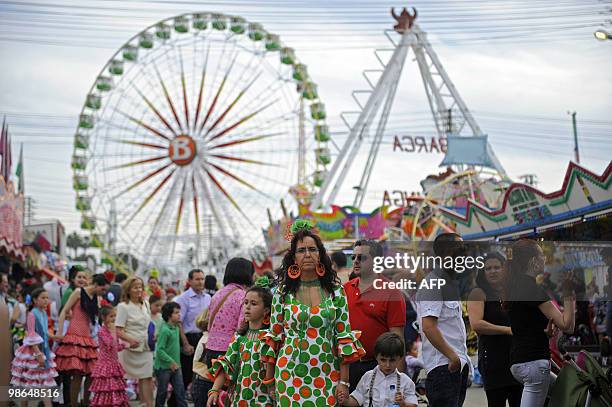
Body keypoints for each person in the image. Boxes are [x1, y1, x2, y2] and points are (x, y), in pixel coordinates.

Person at [262, 219, 365, 406]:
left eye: (313, 249)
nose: (307, 254)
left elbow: (343, 336)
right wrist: (270, 382)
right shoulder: (282, 292)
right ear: (293, 257)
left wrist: (344, 382)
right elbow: (274, 337)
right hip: (288, 375)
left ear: (320, 255)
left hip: (327, 374)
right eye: (301, 250)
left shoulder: (336, 291)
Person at [506, 239, 576, 407]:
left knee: (563, 393)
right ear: (533, 261)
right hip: (534, 363)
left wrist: (544, 332)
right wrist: (568, 291)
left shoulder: (514, 287)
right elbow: (568, 325)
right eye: (541, 255)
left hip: (519, 361)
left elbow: (523, 325)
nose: (545, 259)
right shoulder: (533, 289)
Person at [415, 233, 471, 407]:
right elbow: (429, 326)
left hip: (454, 365)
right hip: (443, 367)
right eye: (460, 249)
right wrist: (452, 357)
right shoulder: (433, 283)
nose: (465, 255)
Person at [344, 240, 407, 392]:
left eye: (362, 258)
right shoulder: (344, 290)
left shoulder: (391, 291)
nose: (356, 261)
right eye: (354, 257)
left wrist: (400, 381)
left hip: (379, 367)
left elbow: (397, 337)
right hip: (348, 368)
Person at [191, 258, 253, 406]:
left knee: (215, 393)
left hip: (211, 349)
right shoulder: (242, 295)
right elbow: (241, 326)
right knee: (228, 397)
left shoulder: (218, 294)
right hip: (228, 352)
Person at [207, 279, 274, 406]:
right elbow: (226, 365)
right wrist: (214, 390)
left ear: (266, 310)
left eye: (253, 304)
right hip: (238, 400)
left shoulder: (271, 338)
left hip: (265, 402)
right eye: (245, 303)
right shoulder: (238, 338)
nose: (247, 307)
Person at [467, 251, 522, 407]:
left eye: (497, 267)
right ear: (483, 272)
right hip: (493, 360)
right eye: (488, 268)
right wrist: (507, 330)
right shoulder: (478, 293)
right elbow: (477, 324)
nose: (492, 271)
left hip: (516, 357)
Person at [56, 274, 109, 407]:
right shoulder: (78, 292)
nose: (104, 292)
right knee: (77, 374)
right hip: (74, 334)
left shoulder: (97, 298)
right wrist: (60, 331)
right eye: (103, 289)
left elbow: (96, 321)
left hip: (87, 337)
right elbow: (64, 311)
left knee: (91, 374)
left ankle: (85, 403)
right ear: (96, 285)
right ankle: (74, 404)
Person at [11, 288, 59, 407]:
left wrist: (54, 336)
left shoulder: (43, 313)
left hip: (44, 350)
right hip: (34, 351)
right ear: (35, 300)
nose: (46, 300)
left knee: (35, 383)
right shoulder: (32, 314)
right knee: (30, 383)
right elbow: (31, 335)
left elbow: (44, 330)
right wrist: (38, 355)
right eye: (43, 298)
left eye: (47, 298)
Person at [343, 332, 418, 407]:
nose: (387, 365)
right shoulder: (367, 377)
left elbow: (413, 404)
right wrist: (345, 400)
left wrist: (403, 404)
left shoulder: (406, 381)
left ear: (400, 358)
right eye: (383, 360)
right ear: (376, 357)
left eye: (392, 360)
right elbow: (356, 400)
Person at [116, 276, 154, 407]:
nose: (139, 289)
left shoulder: (146, 304)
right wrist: (130, 340)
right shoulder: (123, 306)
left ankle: (148, 404)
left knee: (147, 377)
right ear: (128, 290)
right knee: (124, 378)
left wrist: (153, 334)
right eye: (135, 287)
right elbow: (118, 330)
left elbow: (149, 324)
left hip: (146, 347)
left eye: (140, 286)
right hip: (129, 350)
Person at [174, 269, 211, 396]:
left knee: (201, 373)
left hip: (204, 338)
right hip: (189, 338)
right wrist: (185, 343)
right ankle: (176, 402)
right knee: (186, 373)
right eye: (197, 279)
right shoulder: (183, 299)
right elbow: (178, 322)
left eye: (202, 279)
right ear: (189, 281)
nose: (200, 282)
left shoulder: (208, 298)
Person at [90, 305, 133, 407]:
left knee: (115, 387)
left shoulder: (114, 331)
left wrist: (124, 346)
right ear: (104, 318)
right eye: (111, 316)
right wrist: (114, 332)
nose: (114, 319)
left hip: (114, 363)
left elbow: (116, 347)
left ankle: (116, 403)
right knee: (106, 387)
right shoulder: (102, 331)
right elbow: (110, 344)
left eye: (115, 316)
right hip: (105, 365)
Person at [155, 302, 187, 407]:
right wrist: (171, 361)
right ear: (169, 315)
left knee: (180, 392)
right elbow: (159, 350)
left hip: (176, 366)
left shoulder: (176, 328)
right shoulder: (165, 330)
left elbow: (172, 347)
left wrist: (183, 350)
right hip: (164, 367)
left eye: (179, 312)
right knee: (162, 393)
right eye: (176, 313)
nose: (179, 315)